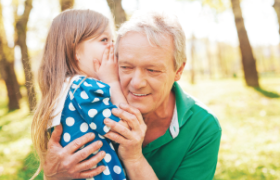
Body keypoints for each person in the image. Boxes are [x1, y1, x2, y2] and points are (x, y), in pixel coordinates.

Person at [39, 11, 222, 180]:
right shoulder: (94, 100)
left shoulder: (202, 127)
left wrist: (134, 158)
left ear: (178, 70)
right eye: (125, 67)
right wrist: (53, 176)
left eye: (152, 70)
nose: (136, 83)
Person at [31, 9, 128, 180]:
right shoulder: (84, 88)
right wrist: (112, 81)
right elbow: (124, 129)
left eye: (112, 40)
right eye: (104, 40)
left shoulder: (64, 89)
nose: (112, 47)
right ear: (75, 50)